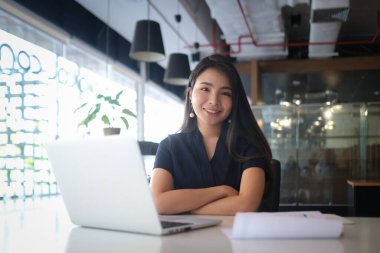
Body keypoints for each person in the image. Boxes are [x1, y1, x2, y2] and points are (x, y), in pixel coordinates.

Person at [150, 54, 272, 215]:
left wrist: (184, 207)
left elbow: (246, 205)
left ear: (234, 101)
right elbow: (157, 203)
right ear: (190, 94)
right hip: (183, 239)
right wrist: (222, 191)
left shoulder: (249, 146)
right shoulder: (169, 146)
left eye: (225, 93)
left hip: (234, 239)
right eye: (205, 89)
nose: (214, 101)